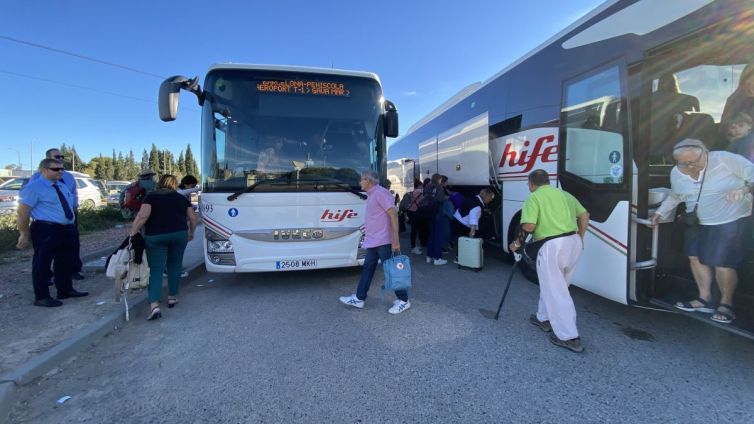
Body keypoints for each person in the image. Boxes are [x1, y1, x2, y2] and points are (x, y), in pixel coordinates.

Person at [651, 139, 754, 324]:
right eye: (684, 163)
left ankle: (726, 304)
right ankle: (704, 299)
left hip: (728, 219)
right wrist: (660, 212)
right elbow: (676, 195)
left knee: (723, 263)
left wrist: (744, 188)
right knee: (694, 257)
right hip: (696, 220)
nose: (691, 166)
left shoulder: (726, 159)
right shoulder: (677, 172)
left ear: (706, 151)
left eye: (695, 161)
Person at [509, 169, 589, 353]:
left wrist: (516, 243)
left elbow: (529, 225)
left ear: (531, 183)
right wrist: (581, 238)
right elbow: (585, 215)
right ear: (548, 181)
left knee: (557, 290)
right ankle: (543, 318)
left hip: (553, 246)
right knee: (556, 286)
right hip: (574, 242)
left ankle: (569, 337)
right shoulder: (565, 194)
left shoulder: (534, 197)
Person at [16, 158, 89, 307]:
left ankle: (65, 290)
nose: (61, 171)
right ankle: (42, 296)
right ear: (44, 170)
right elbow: (23, 212)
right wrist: (24, 233)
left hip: (66, 229)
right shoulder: (34, 188)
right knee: (42, 263)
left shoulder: (61, 186)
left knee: (64, 261)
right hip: (46, 229)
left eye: (62, 168)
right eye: (56, 169)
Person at [339, 170, 410, 314]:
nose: (359, 182)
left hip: (383, 241)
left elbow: (394, 214)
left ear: (369, 181)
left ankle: (403, 300)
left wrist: (395, 240)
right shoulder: (372, 195)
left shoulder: (381, 193)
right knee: (368, 270)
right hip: (373, 241)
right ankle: (359, 298)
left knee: (392, 271)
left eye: (361, 179)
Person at [129, 174, 198, 320]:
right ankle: (172, 297)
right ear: (174, 184)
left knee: (156, 269)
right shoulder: (181, 198)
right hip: (179, 235)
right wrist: (191, 232)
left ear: (160, 183)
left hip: (156, 237)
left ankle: (154, 305)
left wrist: (133, 233)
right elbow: (192, 217)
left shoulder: (151, 197)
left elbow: (142, 216)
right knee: (175, 265)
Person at [29, 148, 86, 280]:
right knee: (43, 255)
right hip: (47, 224)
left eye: (62, 157)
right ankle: (45, 282)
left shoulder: (67, 177)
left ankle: (70, 276)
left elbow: (73, 194)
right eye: (57, 157)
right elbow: (27, 205)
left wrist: (74, 208)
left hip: (67, 219)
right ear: (47, 160)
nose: (60, 159)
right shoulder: (36, 180)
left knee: (69, 248)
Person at [425, 173, 449, 265]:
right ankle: (437, 258)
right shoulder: (439, 187)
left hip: (428, 213)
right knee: (438, 236)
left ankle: (429, 256)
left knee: (431, 235)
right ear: (439, 179)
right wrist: (446, 198)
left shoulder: (427, 186)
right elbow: (440, 199)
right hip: (437, 213)